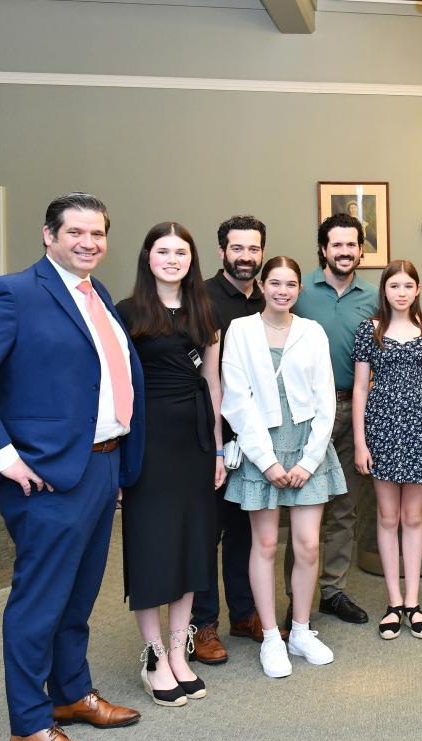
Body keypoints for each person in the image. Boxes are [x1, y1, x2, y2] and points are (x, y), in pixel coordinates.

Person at [0, 192, 144, 741]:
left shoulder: (97, 294)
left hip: (101, 466)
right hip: (45, 476)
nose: (88, 242)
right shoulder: (15, 293)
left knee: (78, 598)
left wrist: (118, 463)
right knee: (39, 603)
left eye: (98, 233)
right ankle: (30, 727)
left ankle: (71, 695)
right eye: (75, 232)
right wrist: (3, 456)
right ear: (48, 236)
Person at [222, 256, 347, 677]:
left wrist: (311, 461)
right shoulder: (240, 331)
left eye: (290, 284)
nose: (282, 290)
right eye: (274, 282)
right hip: (263, 446)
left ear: (299, 289)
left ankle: (301, 630)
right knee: (266, 545)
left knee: (309, 545)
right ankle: (271, 637)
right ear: (262, 286)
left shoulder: (312, 332)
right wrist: (268, 461)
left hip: (308, 445)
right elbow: (236, 399)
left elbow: (326, 399)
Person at [116, 222, 223, 706]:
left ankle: (180, 652)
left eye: (181, 251)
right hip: (148, 443)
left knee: (191, 547)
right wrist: (119, 457)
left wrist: (219, 448)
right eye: (164, 250)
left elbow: (215, 384)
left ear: (192, 259)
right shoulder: (127, 313)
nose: (173, 259)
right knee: (152, 548)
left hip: (196, 442)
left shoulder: (205, 310)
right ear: (148, 256)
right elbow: (116, 392)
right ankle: (154, 656)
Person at [351, 260, 422, 638]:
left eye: (408, 285)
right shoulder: (370, 330)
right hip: (382, 429)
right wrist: (360, 442)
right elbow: (360, 388)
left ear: (418, 290)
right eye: (394, 286)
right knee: (387, 516)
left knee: (413, 517)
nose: (402, 292)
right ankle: (392, 603)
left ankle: (413, 601)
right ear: (385, 290)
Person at [289, 213, 379, 626]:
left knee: (345, 506)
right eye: (336, 244)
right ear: (323, 249)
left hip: (354, 408)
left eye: (352, 244)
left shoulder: (373, 297)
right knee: (303, 503)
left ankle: (333, 591)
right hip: (305, 413)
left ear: (362, 249)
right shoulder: (300, 290)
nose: (344, 251)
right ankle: (297, 595)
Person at [191, 215, 267, 664]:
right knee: (207, 530)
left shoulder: (269, 297)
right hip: (210, 432)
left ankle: (244, 612)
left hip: (255, 434)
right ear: (222, 251)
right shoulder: (199, 297)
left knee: (245, 527)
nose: (246, 257)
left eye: (253, 249)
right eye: (237, 249)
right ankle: (204, 625)